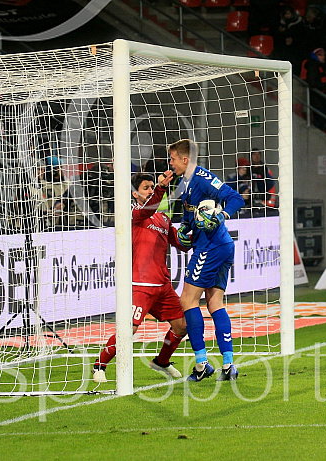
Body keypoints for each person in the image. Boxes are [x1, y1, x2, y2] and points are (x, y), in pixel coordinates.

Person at [92, 170, 190, 383]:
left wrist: (200, 231)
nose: (150, 190)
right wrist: (161, 188)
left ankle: (162, 361)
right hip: (140, 283)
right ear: (135, 194)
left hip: (162, 284)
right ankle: (100, 364)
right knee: (130, 329)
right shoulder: (132, 213)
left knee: (182, 325)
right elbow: (146, 211)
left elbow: (181, 244)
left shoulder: (163, 218)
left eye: (152, 187)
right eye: (146, 188)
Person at [168, 139, 245, 382]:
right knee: (214, 303)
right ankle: (228, 364)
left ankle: (201, 364)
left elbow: (235, 199)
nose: (169, 163)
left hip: (211, 247)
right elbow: (191, 213)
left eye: (172, 158)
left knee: (188, 300)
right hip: (219, 246)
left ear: (184, 159)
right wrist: (183, 227)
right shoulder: (186, 182)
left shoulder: (202, 177)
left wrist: (221, 216)